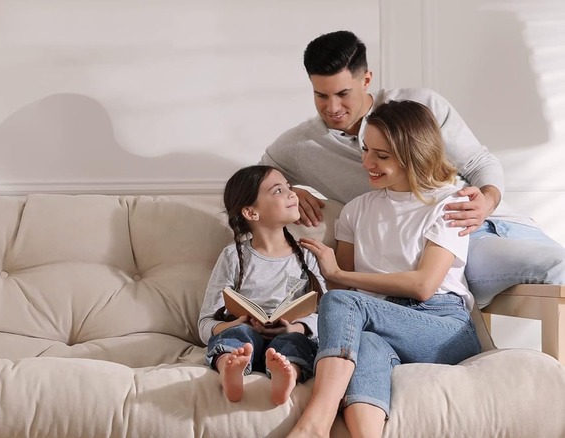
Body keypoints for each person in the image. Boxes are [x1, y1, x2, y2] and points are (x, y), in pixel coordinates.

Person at [260, 30, 565, 308]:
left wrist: (488, 199)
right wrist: (289, 190)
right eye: (320, 95)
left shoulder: (420, 104)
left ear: (366, 80)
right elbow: (253, 183)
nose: (332, 108)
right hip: (458, 242)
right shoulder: (300, 147)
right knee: (559, 264)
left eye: (342, 94)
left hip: (505, 222)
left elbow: (478, 162)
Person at [288, 100, 482, 437]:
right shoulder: (355, 211)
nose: (367, 163)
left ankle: (314, 423)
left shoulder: (451, 203)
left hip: (443, 326)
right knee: (367, 345)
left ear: (413, 154)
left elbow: (424, 285)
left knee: (344, 305)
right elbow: (345, 299)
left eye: (382, 155)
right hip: (381, 323)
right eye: (366, 150)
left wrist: (338, 275)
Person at [197, 165, 327, 405]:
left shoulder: (306, 255)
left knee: (295, 344)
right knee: (238, 334)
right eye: (278, 190)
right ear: (251, 212)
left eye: (289, 187)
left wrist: (294, 329)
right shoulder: (233, 257)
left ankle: (287, 375)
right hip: (245, 337)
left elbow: (326, 317)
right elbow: (205, 323)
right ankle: (230, 368)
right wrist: (235, 323)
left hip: (288, 336)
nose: (292, 194)